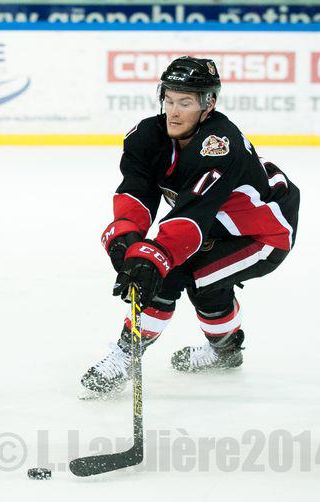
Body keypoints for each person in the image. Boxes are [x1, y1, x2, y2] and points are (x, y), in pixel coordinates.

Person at [79, 56, 300, 399]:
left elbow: (191, 216)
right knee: (206, 284)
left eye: (185, 103)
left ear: (208, 104)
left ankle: (126, 355)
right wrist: (126, 236)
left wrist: (153, 258)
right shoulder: (147, 137)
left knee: (172, 273)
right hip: (216, 224)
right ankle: (226, 350)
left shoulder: (218, 144)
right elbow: (136, 191)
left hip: (264, 231)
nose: (173, 111)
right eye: (168, 100)